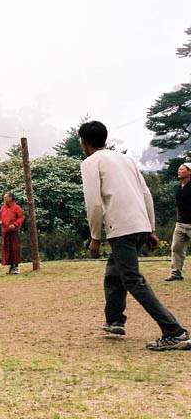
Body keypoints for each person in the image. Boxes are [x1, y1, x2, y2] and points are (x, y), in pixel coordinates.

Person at [79, 120, 189, 351]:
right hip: (139, 224)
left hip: (122, 228)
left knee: (132, 280)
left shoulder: (90, 162)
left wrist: (96, 236)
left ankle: (174, 331)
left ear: (84, 142)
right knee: (114, 272)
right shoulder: (125, 159)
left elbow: (94, 204)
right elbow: (146, 193)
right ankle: (115, 320)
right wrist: (150, 228)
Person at [165, 162, 191, 281]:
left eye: (182, 169)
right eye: (179, 169)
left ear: (189, 172)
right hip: (180, 224)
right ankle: (176, 273)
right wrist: (177, 220)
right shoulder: (178, 188)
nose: (179, 171)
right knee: (176, 248)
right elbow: (178, 206)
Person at [0, 193, 24, 275]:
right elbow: (0, 216)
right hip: (5, 231)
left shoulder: (17, 208)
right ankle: (11, 267)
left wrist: (15, 224)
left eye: (6, 197)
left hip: (14, 231)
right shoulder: (3, 208)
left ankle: (16, 267)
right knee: (7, 249)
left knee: (15, 249)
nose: (4, 198)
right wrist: (1, 221)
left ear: (11, 198)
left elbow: (21, 218)